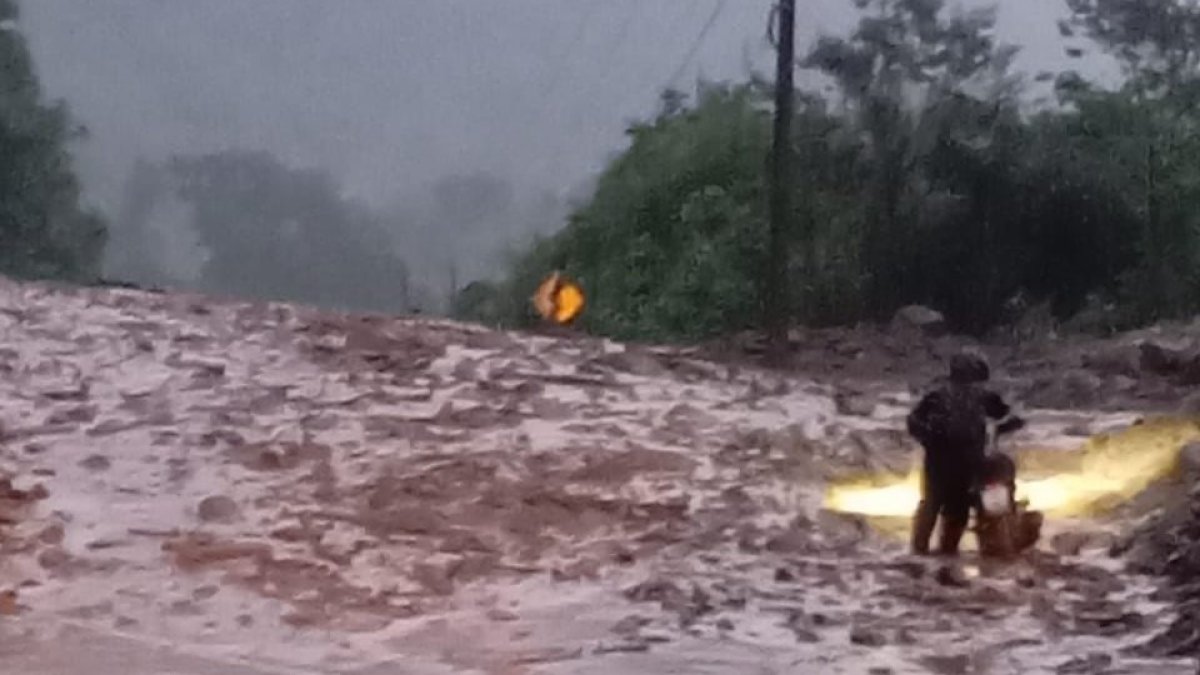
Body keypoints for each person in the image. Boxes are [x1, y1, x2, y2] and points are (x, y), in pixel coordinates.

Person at [906, 352, 1025, 556]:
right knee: (953, 508)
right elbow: (1014, 418)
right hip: (965, 461)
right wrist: (999, 431)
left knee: (934, 505)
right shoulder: (982, 397)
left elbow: (913, 421)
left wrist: (928, 440)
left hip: (942, 461)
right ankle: (944, 550)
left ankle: (922, 551)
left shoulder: (937, 396)